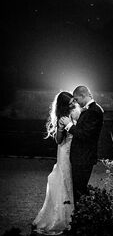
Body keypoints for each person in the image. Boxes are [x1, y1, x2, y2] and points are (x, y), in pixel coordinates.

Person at [32, 91, 80, 235]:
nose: (73, 103)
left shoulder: (76, 112)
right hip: (65, 152)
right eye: (70, 102)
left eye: (73, 100)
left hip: (75, 150)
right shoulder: (62, 117)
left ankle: (73, 215)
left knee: (71, 181)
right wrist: (60, 128)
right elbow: (59, 140)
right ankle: (63, 218)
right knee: (64, 180)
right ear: (64, 105)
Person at [60, 86, 104, 205]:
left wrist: (69, 125)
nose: (75, 102)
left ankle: (81, 218)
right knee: (78, 189)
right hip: (81, 157)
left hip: (84, 158)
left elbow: (85, 135)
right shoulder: (89, 110)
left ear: (83, 96)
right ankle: (81, 216)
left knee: (79, 191)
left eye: (76, 99)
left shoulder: (94, 111)